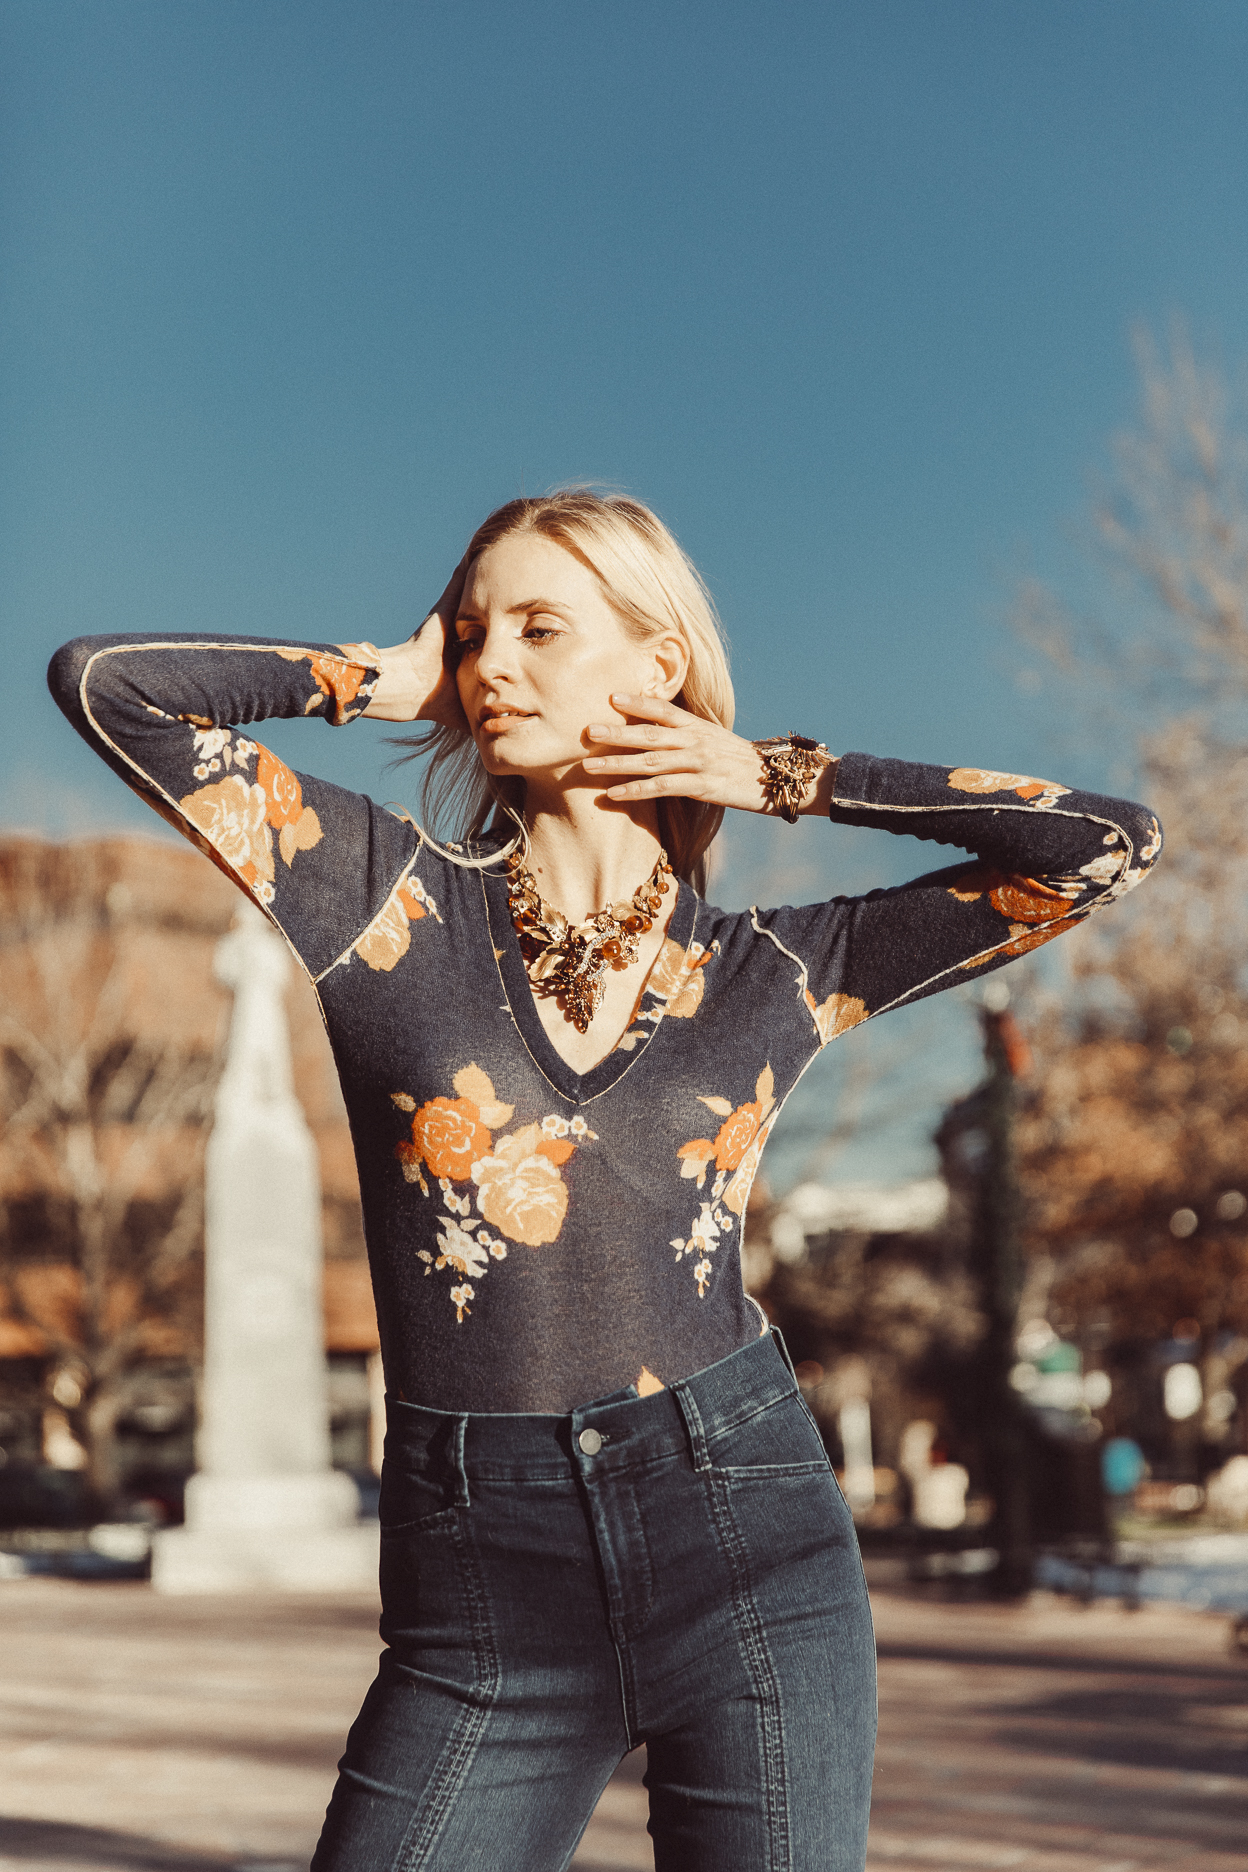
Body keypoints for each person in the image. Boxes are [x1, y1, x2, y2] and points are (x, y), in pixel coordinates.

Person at [49, 491, 1161, 1871]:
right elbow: (107, 685)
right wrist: (366, 681)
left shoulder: (785, 972)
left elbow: (1105, 844)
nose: (488, 663)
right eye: (471, 633)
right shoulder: (380, 899)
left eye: (538, 626)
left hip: (752, 1556)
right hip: (480, 1606)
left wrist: (784, 777)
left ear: (658, 666)